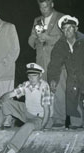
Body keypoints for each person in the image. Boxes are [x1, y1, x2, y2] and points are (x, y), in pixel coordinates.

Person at [0, 63, 52, 153]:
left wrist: (43, 126)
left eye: (34, 76)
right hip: (26, 112)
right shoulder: (26, 84)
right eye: (29, 76)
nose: (31, 78)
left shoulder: (44, 86)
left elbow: (47, 109)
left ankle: (11, 152)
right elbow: (9, 94)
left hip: (39, 118)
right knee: (7, 103)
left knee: (28, 126)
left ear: (40, 75)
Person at [28, 0, 66, 128]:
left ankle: (59, 119)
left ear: (52, 4)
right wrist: (34, 38)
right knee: (45, 91)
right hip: (41, 62)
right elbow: (31, 41)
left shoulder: (61, 18)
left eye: (46, 7)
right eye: (41, 8)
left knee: (59, 89)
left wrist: (48, 38)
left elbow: (66, 39)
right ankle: (47, 120)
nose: (43, 10)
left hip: (57, 61)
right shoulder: (36, 20)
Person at [48, 15, 84, 129]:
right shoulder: (60, 45)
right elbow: (54, 64)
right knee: (70, 90)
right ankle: (76, 125)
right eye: (64, 29)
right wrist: (53, 79)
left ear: (76, 29)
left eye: (70, 28)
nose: (67, 31)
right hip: (73, 77)